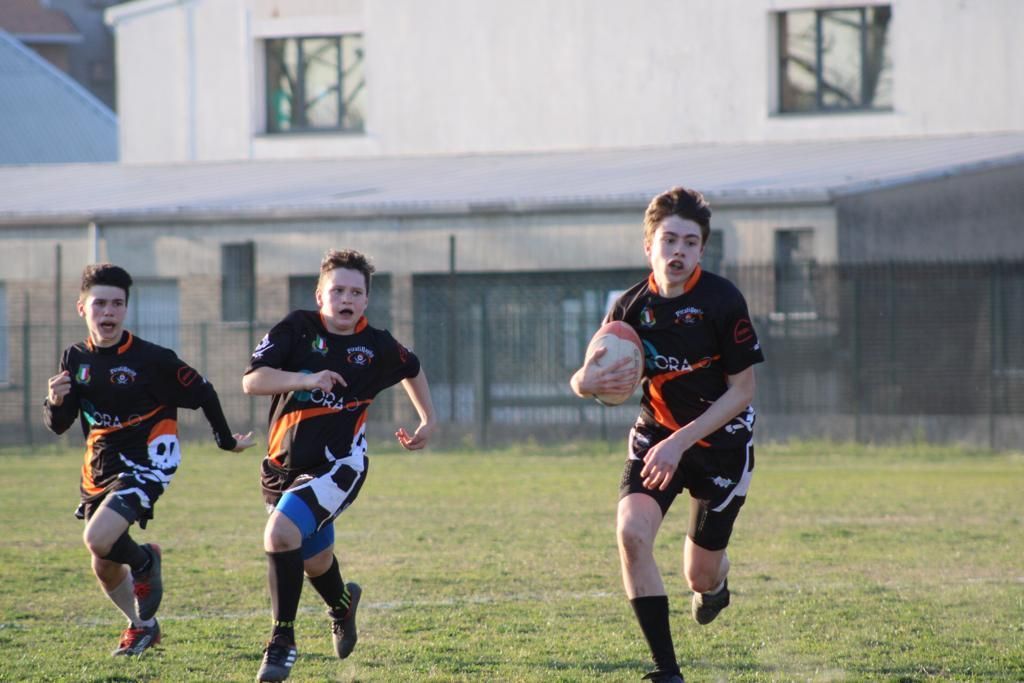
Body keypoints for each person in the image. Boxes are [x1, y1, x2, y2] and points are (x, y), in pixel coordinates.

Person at [570, 187, 764, 682]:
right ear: (649, 246)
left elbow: (742, 390)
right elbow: (589, 372)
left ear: (702, 250)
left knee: (699, 573)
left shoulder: (722, 301)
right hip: (656, 438)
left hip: (720, 445)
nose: (678, 251)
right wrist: (583, 382)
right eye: (669, 239)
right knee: (632, 534)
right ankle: (667, 671)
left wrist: (682, 442)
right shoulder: (630, 308)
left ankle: (715, 588)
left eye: (690, 242)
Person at [243, 248, 436, 682]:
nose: (346, 299)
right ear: (320, 294)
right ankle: (341, 606)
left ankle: (281, 641)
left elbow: (413, 367)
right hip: (281, 468)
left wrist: (428, 419)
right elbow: (252, 380)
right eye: (338, 290)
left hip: (339, 465)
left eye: (355, 292)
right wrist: (307, 379)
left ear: (366, 299)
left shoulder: (376, 345)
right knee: (313, 558)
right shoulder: (296, 329)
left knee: (280, 535)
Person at [43, 264, 255, 657]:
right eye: (100, 303)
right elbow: (60, 424)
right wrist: (54, 402)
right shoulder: (74, 358)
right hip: (99, 467)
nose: (108, 312)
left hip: (147, 461)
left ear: (126, 309)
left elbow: (205, 391)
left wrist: (226, 441)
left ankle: (144, 562)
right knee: (102, 560)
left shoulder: (151, 359)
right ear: (81, 308)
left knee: (97, 538)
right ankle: (143, 626)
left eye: (117, 304)